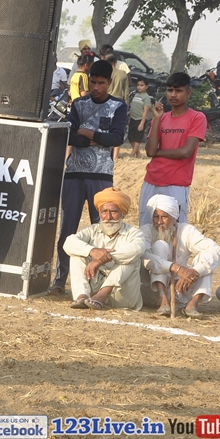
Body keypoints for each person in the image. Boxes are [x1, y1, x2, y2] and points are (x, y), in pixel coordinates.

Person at [51, 59, 127, 294]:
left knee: (103, 230)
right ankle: (60, 281)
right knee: (68, 230)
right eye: (93, 82)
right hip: (74, 174)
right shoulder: (79, 104)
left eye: (101, 83)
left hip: (102, 177)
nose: (96, 87)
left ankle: (98, 283)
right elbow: (70, 136)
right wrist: (97, 138)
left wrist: (87, 132)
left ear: (109, 83)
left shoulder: (118, 106)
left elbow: (117, 138)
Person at [63, 187, 148, 311]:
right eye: (104, 211)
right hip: (93, 292)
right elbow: (68, 243)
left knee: (131, 259)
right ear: (99, 213)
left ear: (123, 213)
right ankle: (82, 296)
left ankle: (102, 295)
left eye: (113, 211)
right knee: (77, 254)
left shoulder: (134, 233)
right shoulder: (91, 230)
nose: (108, 217)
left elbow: (137, 249)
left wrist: (101, 259)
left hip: (122, 296)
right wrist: (92, 251)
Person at [139, 71, 206, 227]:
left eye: (178, 91)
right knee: (146, 229)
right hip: (152, 180)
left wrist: (158, 152)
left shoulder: (197, 118)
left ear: (188, 93)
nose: (173, 95)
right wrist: (156, 119)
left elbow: (185, 152)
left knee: (175, 231)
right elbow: (150, 151)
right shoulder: (161, 117)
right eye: (170, 90)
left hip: (176, 183)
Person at [141, 194, 220, 318]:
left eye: (164, 217)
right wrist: (177, 268)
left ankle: (192, 305)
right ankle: (163, 299)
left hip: (180, 292)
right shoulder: (146, 231)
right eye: (156, 217)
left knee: (206, 261)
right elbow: (146, 258)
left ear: (174, 217)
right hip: (152, 293)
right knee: (159, 246)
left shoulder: (186, 231)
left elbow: (217, 250)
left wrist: (194, 272)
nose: (159, 222)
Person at [127, 78, 153, 158]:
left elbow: (145, 111)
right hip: (133, 119)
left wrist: (142, 123)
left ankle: (132, 154)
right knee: (130, 137)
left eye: (142, 85)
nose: (139, 87)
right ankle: (138, 153)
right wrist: (129, 113)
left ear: (146, 87)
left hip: (140, 119)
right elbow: (134, 106)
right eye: (138, 85)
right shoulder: (136, 95)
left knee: (137, 137)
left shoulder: (146, 97)